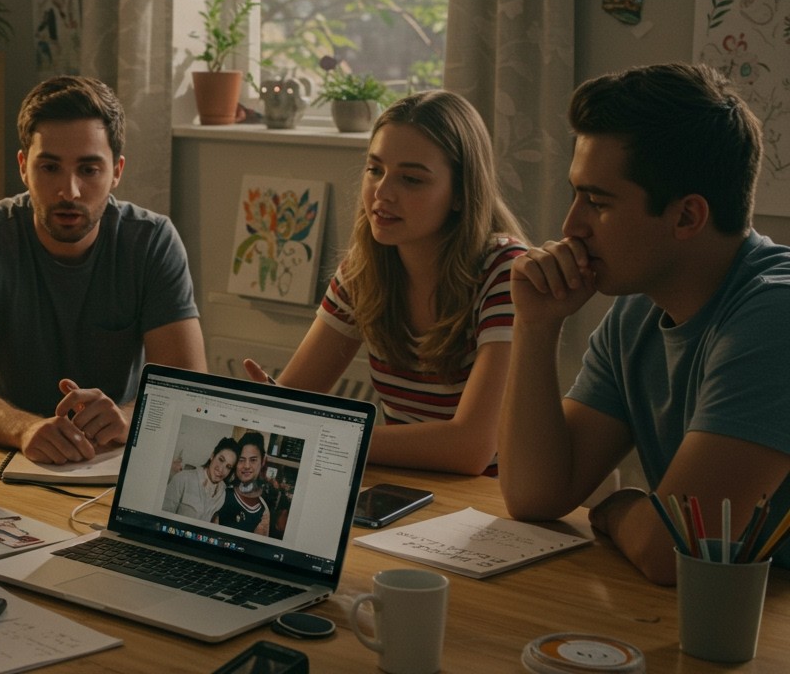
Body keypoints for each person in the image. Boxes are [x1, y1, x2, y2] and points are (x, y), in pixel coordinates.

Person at [498, 62, 790, 586]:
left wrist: (618, 506)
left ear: (686, 217)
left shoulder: (776, 317)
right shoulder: (638, 310)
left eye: (597, 201)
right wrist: (535, 326)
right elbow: (535, 495)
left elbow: (674, 552)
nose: (570, 226)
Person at [245, 90, 527, 475]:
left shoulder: (506, 272)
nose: (382, 192)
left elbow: (470, 448)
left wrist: (322, 433)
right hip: (404, 491)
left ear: (460, 193)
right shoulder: (364, 272)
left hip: (492, 507)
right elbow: (294, 402)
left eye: (411, 179)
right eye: (374, 169)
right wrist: (270, 410)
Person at [0, 75, 206, 464]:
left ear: (117, 172)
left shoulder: (151, 240)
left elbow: (189, 390)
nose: (69, 191)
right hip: (10, 453)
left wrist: (128, 418)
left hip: (113, 457)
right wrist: (23, 428)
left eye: (89, 170)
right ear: (24, 167)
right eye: (50, 168)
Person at [162, 437, 239, 521]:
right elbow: (162, 518)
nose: (221, 469)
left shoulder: (222, 494)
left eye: (228, 467)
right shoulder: (183, 478)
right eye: (221, 460)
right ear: (212, 456)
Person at [213, 432, 271, 536]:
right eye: (241, 460)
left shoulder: (263, 510)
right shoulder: (221, 491)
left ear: (262, 461)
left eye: (253, 460)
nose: (247, 466)